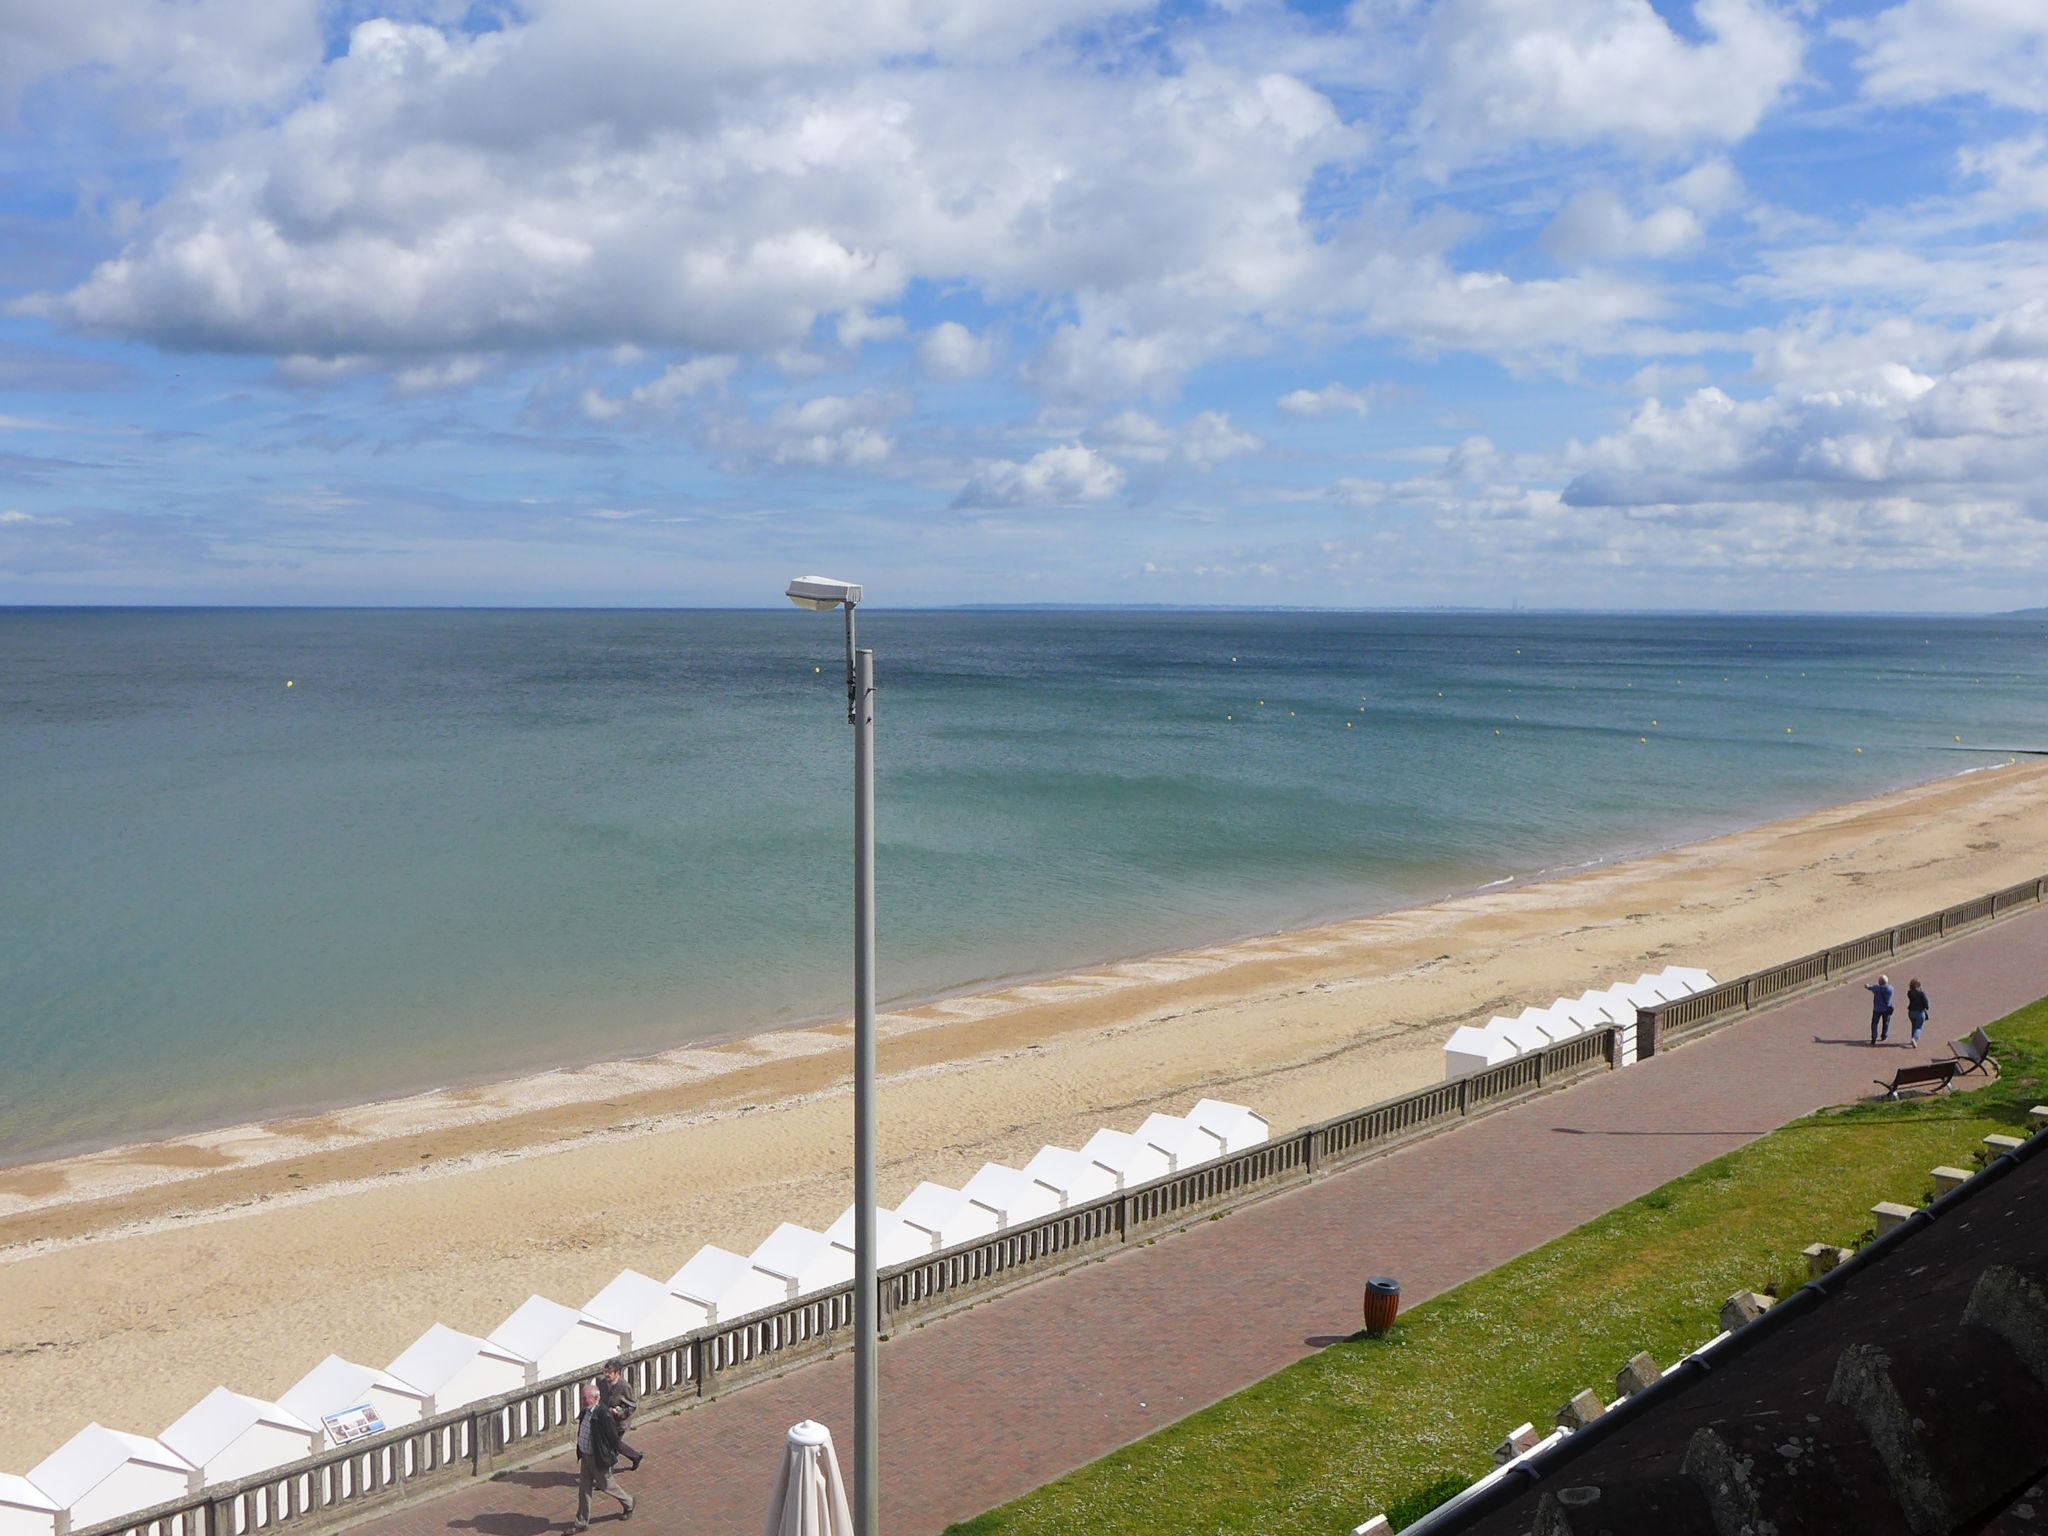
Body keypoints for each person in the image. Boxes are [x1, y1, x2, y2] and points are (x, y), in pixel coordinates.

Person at [572, 1382, 634, 1529]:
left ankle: (629, 1503)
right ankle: (581, 1522)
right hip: (586, 1457)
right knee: (584, 1491)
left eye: (585, 1398)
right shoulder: (585, 1412)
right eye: (582, 1398)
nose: (583, 1401)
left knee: (607, 1486)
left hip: (598, 1459)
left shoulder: (604, 1414)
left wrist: (610, 1459)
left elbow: (613, 1439)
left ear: (595, 1398)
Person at [598, 1359, 643, 1471]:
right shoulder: (602, 1383)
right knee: (614, 1445)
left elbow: (632, 1406)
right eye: (605, 1372)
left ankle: (606, 1476)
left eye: (609, 1372)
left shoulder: (624, 1387)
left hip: (619, 1423)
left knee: (610, 1448)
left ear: (618, 1373)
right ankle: (635, 1456)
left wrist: (619, 1412)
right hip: (606, 1421)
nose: (606, 1375)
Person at [1866, 974, 1895, 1046]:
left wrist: (1867, 986)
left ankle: (1874, 1037)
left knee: (1874, 1023)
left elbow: (1869, 987)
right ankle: (1884, 1035)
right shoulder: (1890, 988)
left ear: (1879, 982)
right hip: (1886, 1008)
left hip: (1877, 1009)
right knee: (1886, 1022)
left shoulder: (1876, 988)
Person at [1906, 978, 1931, 1047]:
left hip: (1911, 1012)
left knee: (1913, 1026)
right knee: (1918, 1027)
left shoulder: (1909, 993)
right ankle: (1914, 1039)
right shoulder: (1921, 993)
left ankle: (1912, 1038)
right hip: (1919, 1012)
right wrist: (1927, 1007)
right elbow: (1926, 1002)